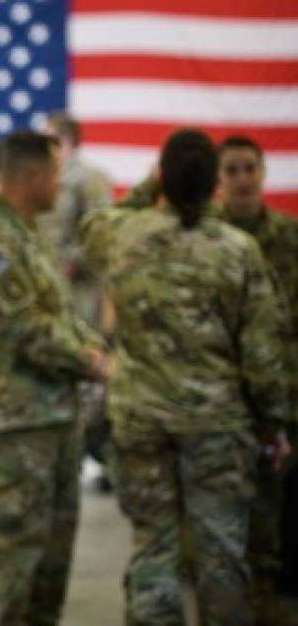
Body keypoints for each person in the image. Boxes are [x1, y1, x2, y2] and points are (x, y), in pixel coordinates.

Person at [80, 129, 291, 626]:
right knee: (221, 549)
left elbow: (94, 223)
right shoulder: (237, 250)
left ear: (164, 179)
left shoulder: (122, 236)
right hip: (215, 424)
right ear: (214, 183)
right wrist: (272, 424)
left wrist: (145, 188)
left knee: (153, 543)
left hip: (141, 422)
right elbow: (261, 353)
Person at [0, 131, 108, 626]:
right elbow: (26, 329)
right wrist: (96, 363)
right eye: (57, 172)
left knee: (50, 564)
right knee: (13, 561)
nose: (61, 184)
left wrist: (96, 347)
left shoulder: (26, 232)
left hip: (55, 417)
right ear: (34, 174)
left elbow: (58, 314)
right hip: (18, 424)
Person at [213, 134, 298, 623]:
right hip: (222, 394)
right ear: (218, 182)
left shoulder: (288, 236)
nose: (243, 179)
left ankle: (266, 590)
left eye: (250, 169)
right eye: (232, 171)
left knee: (273, 498)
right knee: (223, 502)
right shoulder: (207, 237)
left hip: (282, 389)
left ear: (263, 175)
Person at [37, 111, 111, 328]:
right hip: (43, 280)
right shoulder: (43, 177)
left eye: (47, 138)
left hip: (77, 286)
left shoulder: (89, 177)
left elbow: (101, 230)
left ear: (66, 140)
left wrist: (72, 262)